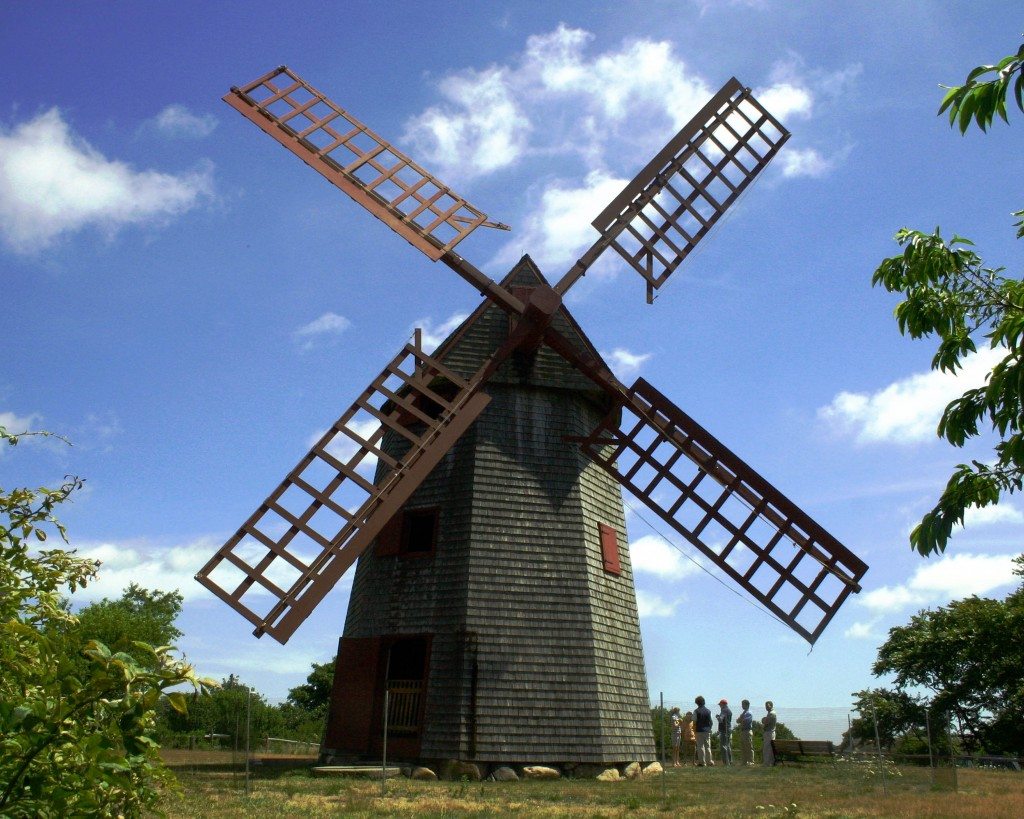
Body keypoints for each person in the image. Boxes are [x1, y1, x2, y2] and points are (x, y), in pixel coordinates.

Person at [693, 695, 714, 766]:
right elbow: (711, 722)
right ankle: (709, 761)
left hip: (699, 731)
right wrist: (709, 728)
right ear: (704, 702)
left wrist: (694, 731)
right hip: (707, 731)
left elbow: (694, 722)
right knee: (708, 746)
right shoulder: (709, 711)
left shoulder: (696, 711)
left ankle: (702, 762)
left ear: (697, 703)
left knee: (700, 747)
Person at [737, 699, 754, 765]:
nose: (742, 706)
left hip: (747, 731)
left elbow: (744, 721)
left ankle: (751, 761)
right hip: (743, 731)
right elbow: (738, 721)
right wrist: (741, 719)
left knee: (749, 747)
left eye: (743, 704)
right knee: (743, 747)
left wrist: (740, 719)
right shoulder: (743, 713)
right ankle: (744, 761)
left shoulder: (749, 713)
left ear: (747, 705)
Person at [716, 698, 733, 766]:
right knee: (728, 745)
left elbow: (720, 720)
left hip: (724, 730)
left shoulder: (724, 710)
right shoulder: (729, 710)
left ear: (723, 704)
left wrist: (717, 716)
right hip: (728, 729)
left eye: (720, 704)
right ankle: (730, 761)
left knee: (723, 746)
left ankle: (726, 762)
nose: (720, 706)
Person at [761, 701, 777, 766]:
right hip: (769, 732)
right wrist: (764, 720)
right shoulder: (770, 713)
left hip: (769, 732)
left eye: (767, 706)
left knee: (767, 748)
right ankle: (769, 762)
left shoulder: (771, 713)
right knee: (768, 748)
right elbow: (765, 721)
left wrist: (763, 720)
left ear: (771, 705)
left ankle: (767, 763)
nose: (766, 707)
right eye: (765, 706)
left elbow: (765, 722)